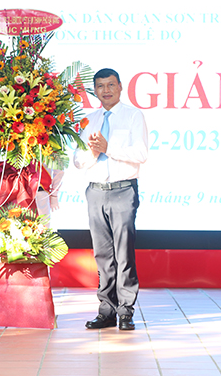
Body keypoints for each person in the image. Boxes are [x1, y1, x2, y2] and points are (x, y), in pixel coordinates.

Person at [73, 68, 148, 331]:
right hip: (95, 191)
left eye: (111, 85)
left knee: (124, 253)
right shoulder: (88, 119)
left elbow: (140, 153)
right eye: (101, 86)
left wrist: (108, 148)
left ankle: (126, 311)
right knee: (103, 255)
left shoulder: (133, 115)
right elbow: (78, 160)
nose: (106, 90)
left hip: (123, 190)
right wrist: (93, 153)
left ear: (120, 87)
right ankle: (106, 311)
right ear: (95, 90)